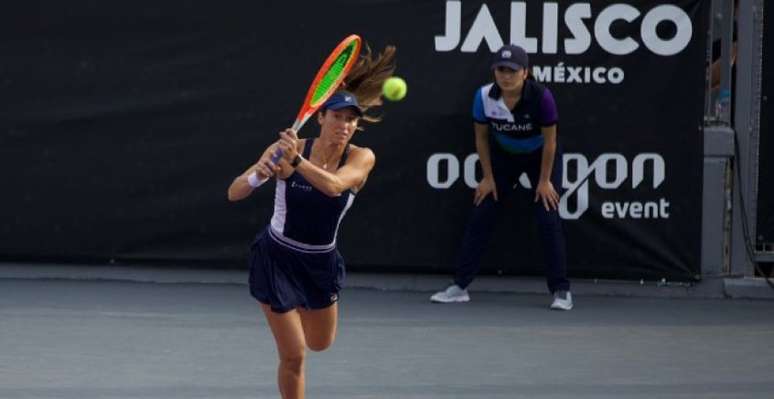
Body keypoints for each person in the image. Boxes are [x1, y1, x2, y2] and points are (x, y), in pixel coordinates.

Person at [227, 45, 396, 399]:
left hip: (320, 262)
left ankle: (298, 307)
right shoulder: (289, 148)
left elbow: (334, 187)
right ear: (320, 118)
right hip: (276, 258)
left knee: (320, 343)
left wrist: (297, 163)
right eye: (337, 117)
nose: (345, 126)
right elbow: (235, 192)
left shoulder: (362, 158)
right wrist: (259, 174)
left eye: (352, 119)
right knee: (294, 356)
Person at [430, 44, 572, 310]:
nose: (506, 76)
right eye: (501, 70)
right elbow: (481, 137)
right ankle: (460, 286)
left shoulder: (542, 97)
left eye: (512, 71)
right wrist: (488, 177)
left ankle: (561, 290)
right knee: (482, 211)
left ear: (525, 73)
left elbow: (551, 142)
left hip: (540, 156)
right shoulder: (483, 97)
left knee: (547, 216)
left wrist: (544, 181)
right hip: (504, 156)